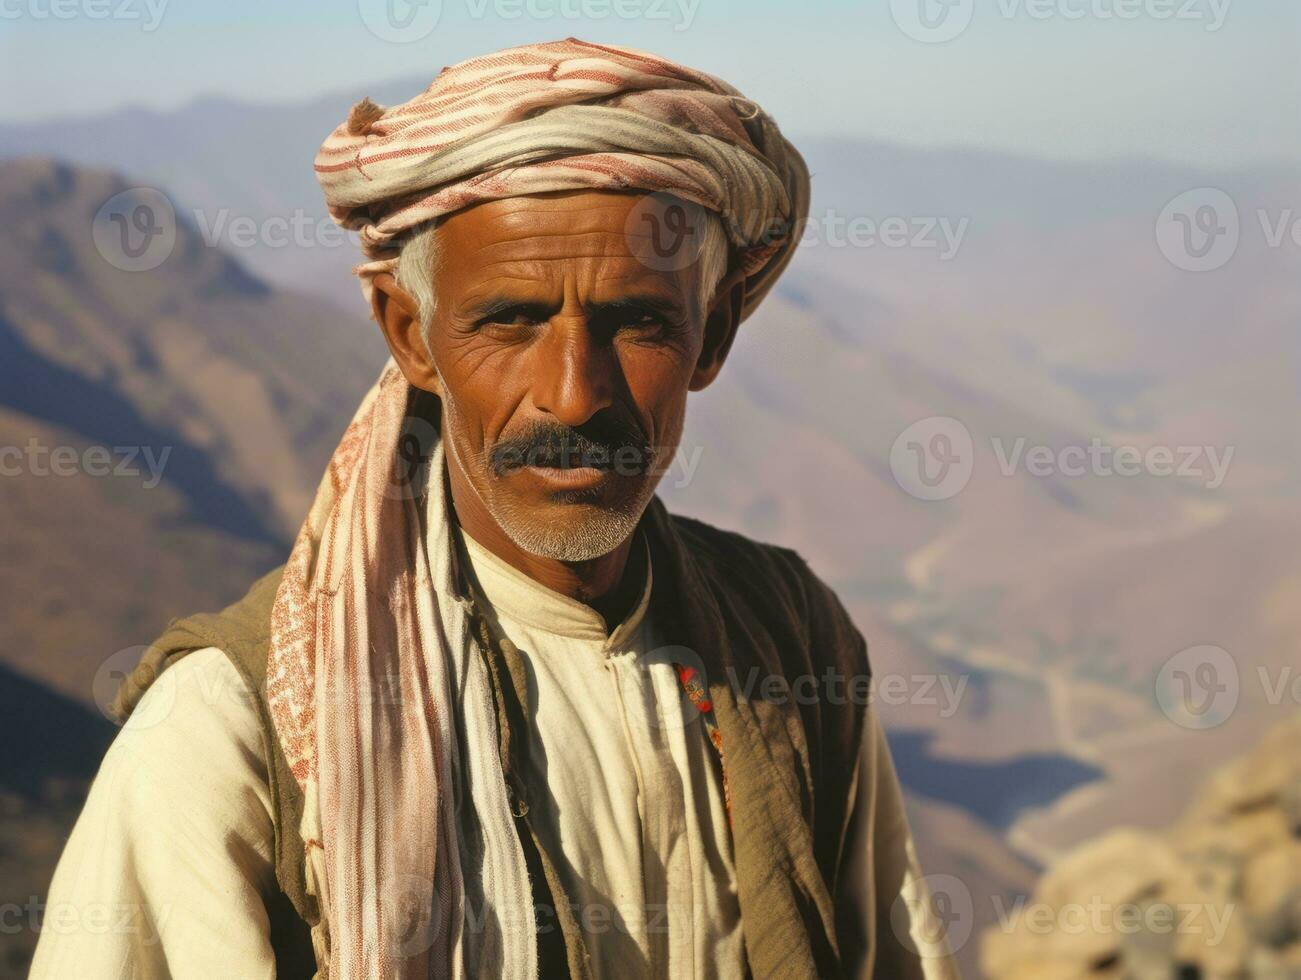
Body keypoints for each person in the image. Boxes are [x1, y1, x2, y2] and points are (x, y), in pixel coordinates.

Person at [32, 38, 960, 980]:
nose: (573, 394)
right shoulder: (233, 730)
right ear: (412, 337)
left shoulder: (786, 639)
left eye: (637, 323)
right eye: (509, 321)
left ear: (710, 336)